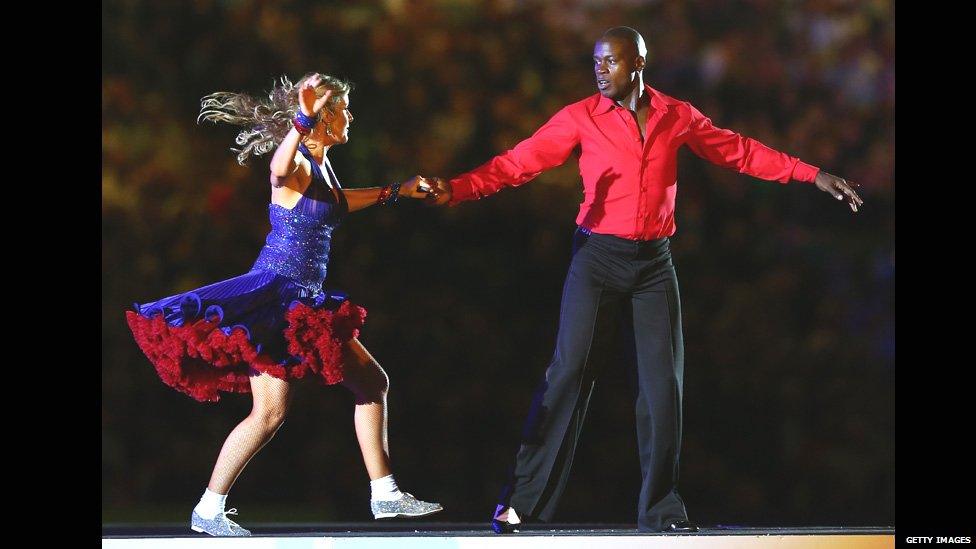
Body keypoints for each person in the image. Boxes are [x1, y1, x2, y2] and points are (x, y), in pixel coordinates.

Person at [425, 27, 863, 534]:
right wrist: (455, 190)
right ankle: (521, 503)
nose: (600, 71)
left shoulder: (676, 115)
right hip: (597, 257)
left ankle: (661, 511)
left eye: (610, 62)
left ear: (637, 63)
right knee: (568, 375)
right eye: (595, 63)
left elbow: (739, 151)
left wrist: (811, 174)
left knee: (663, 388)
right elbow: (517, 164)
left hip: (654, 264)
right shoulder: (580, 118)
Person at [125, 72, 443, 537]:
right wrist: (301, 121)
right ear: (322, 118)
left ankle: (384, 494)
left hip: (305, 301)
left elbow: (335, 203)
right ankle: (210, 509)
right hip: (273, 298)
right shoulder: (294, 167)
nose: (350, 116)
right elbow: (276, 169)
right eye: (344, 110)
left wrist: (396, 191)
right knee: (273, 413)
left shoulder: (322, 167)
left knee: (369, 384)